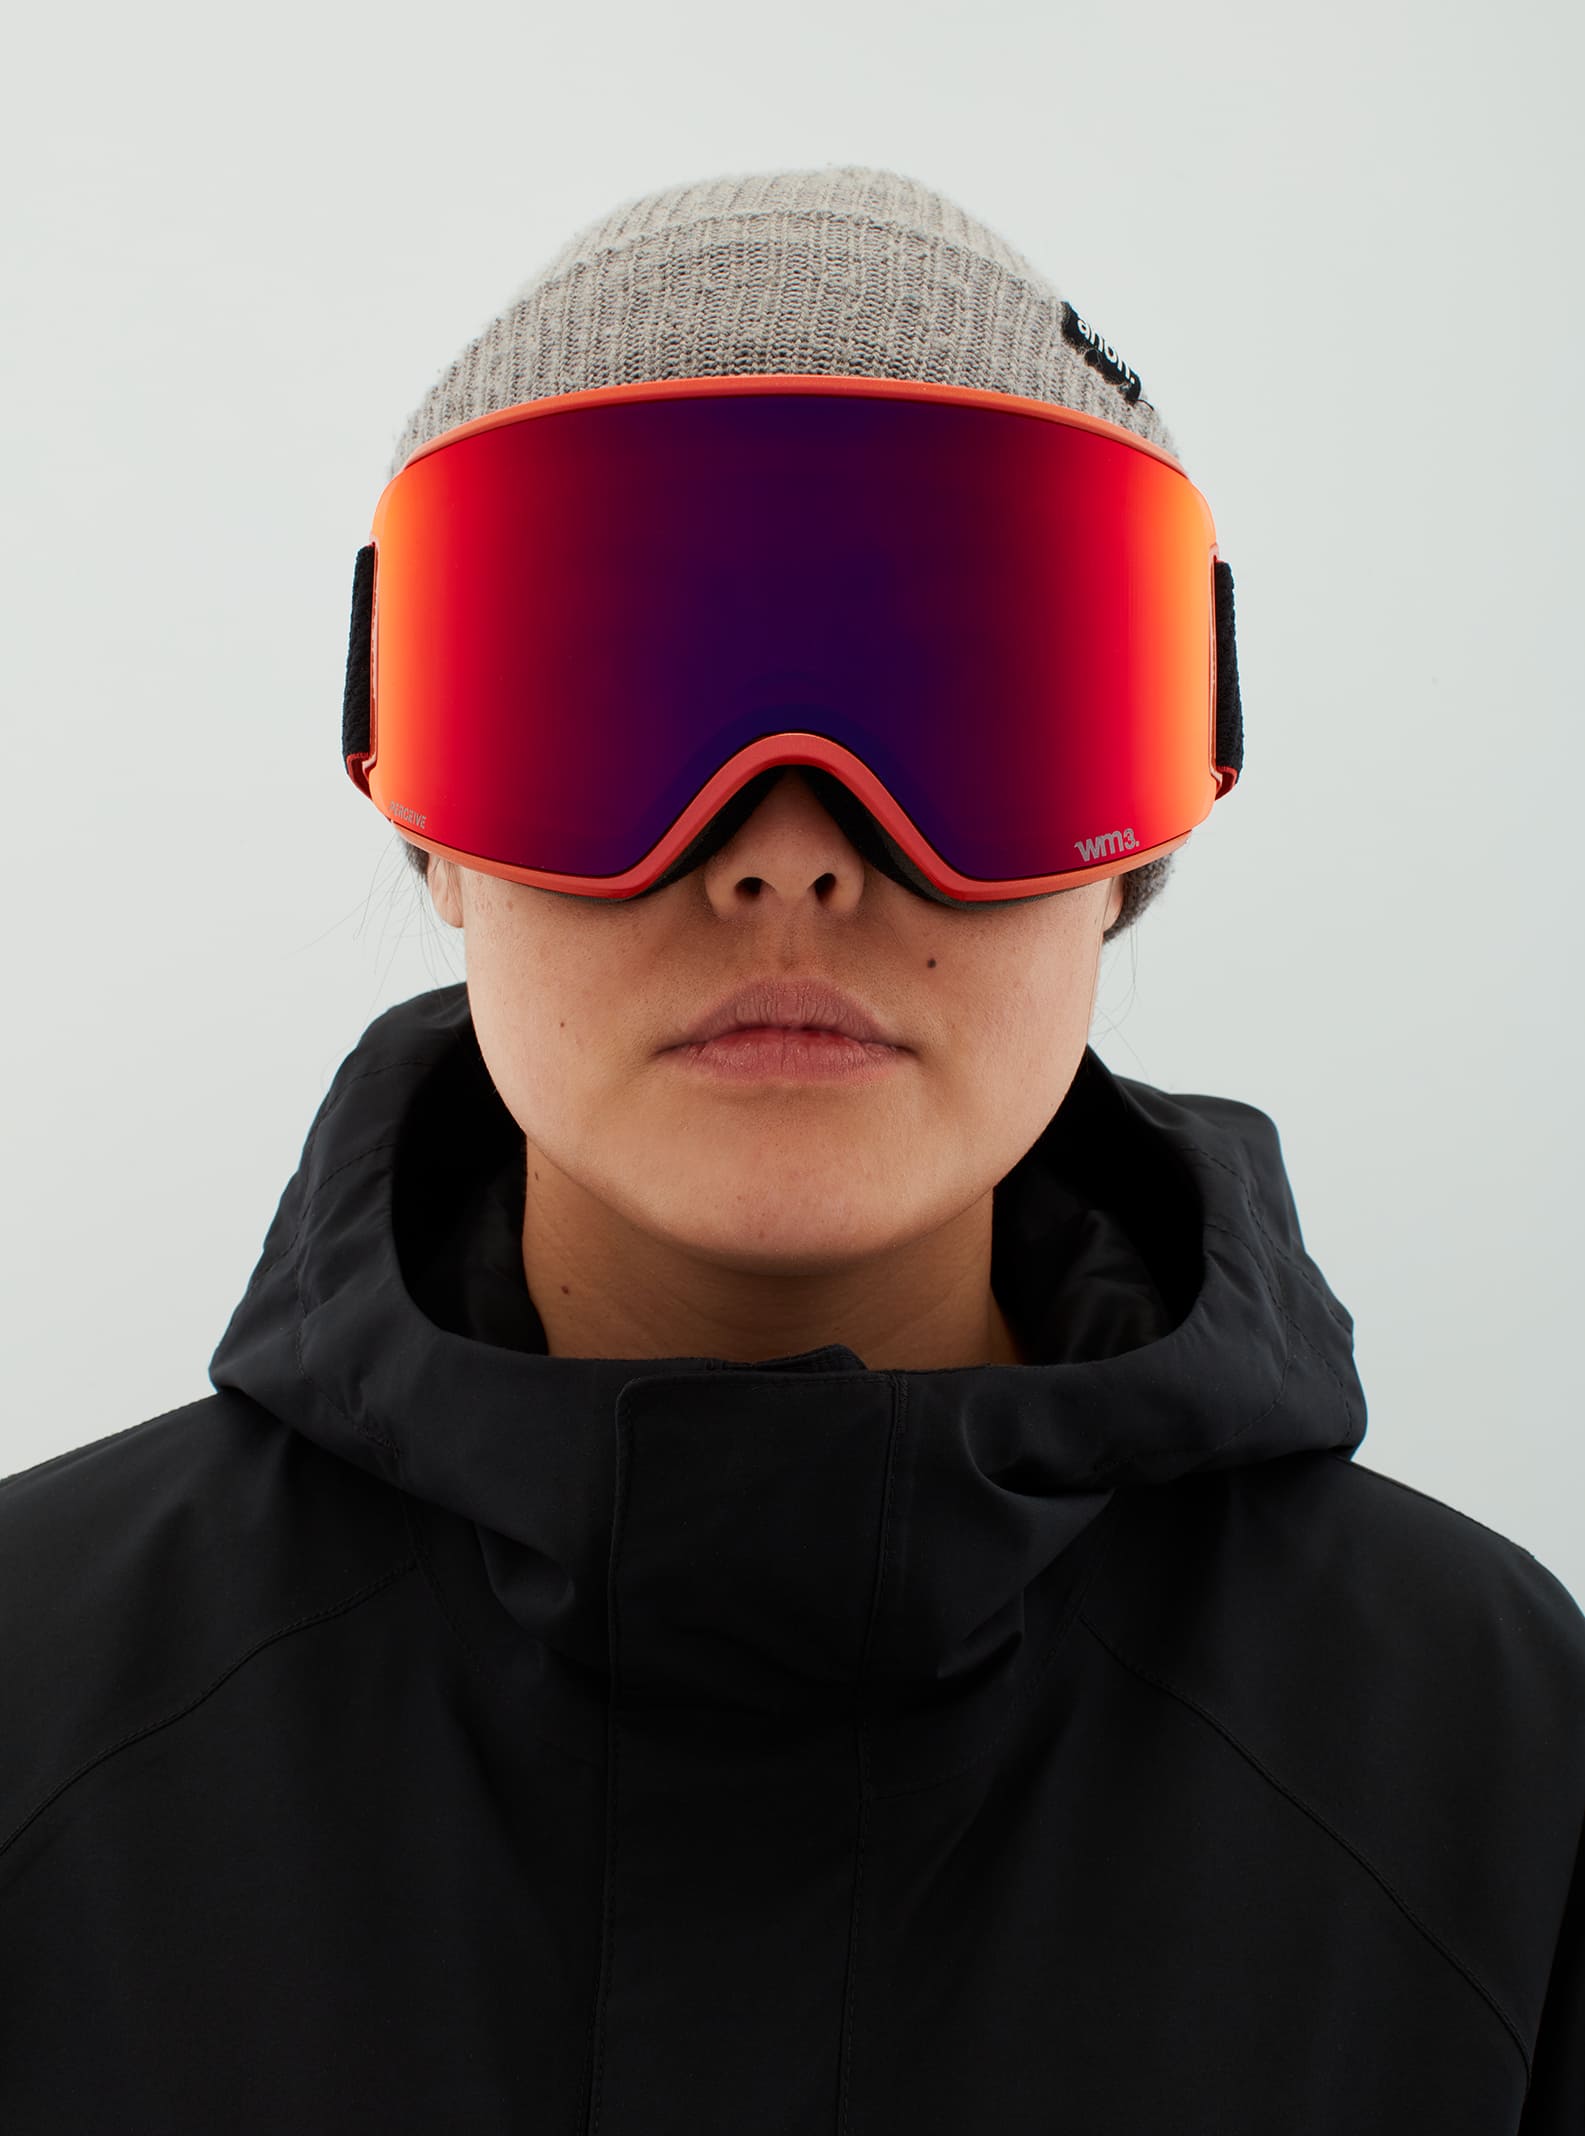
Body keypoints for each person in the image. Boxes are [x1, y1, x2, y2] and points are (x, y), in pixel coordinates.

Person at [2, 162, 1581, 2134]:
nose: (786, 852)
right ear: (427, 831)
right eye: (613, 694)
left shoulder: (1493, 1766)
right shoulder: (28, 1706)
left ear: (1130, 860)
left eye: (967, 703)